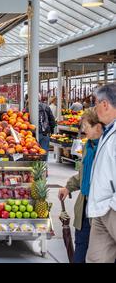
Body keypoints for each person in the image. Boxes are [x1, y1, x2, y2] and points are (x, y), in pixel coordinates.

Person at [58, 108, 104, 263]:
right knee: (80, 247)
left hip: (101, 207)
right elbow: (83, 175)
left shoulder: (107, 148)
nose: (83, 131)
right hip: (84, 204)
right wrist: (68, 187)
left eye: (86, 126)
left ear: (98, 127)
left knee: (102, 251)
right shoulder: (87, 147)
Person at [86, 83, 116, 263]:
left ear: (105, 104)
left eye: (95, 103)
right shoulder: (106, 131)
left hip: (112, 207)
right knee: (96, 258)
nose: (94, 107)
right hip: (100, 208)